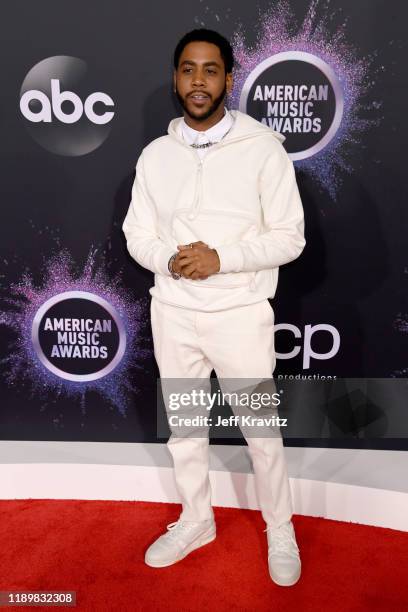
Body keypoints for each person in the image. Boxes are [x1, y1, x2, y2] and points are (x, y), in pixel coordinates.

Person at [122, 28, 306, 586]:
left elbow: (290, 238)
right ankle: (196, 519)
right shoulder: (156, 155)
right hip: (174, 311)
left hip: (239, 316)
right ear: (175, 79)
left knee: (261, 434)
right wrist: (170, 260)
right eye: (187, 70)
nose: (197, 81)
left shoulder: (263, 149)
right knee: (185, 429)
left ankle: (280, 530)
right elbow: (137, 233)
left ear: (229, 78)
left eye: (209, 70)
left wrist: (219, 258)